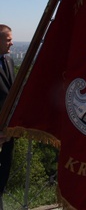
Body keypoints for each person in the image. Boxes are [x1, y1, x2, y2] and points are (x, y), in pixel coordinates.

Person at [0, 24, 15, 210]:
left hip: (8, 131)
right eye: (8, 39)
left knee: (3, 175)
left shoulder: (9, 61)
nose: (12, 43)